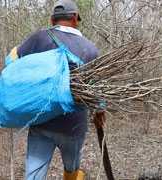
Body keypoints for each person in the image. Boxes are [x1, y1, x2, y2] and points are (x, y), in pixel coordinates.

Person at [8, 0, 105, 179]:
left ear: (52, 20)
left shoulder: (39, 38)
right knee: (72, 169)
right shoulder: (90, 49)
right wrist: (99, 111)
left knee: (34, 175)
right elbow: (96, 90)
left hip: (41, 121)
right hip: (74, 126)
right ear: (75, 18)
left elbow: (10, 61)